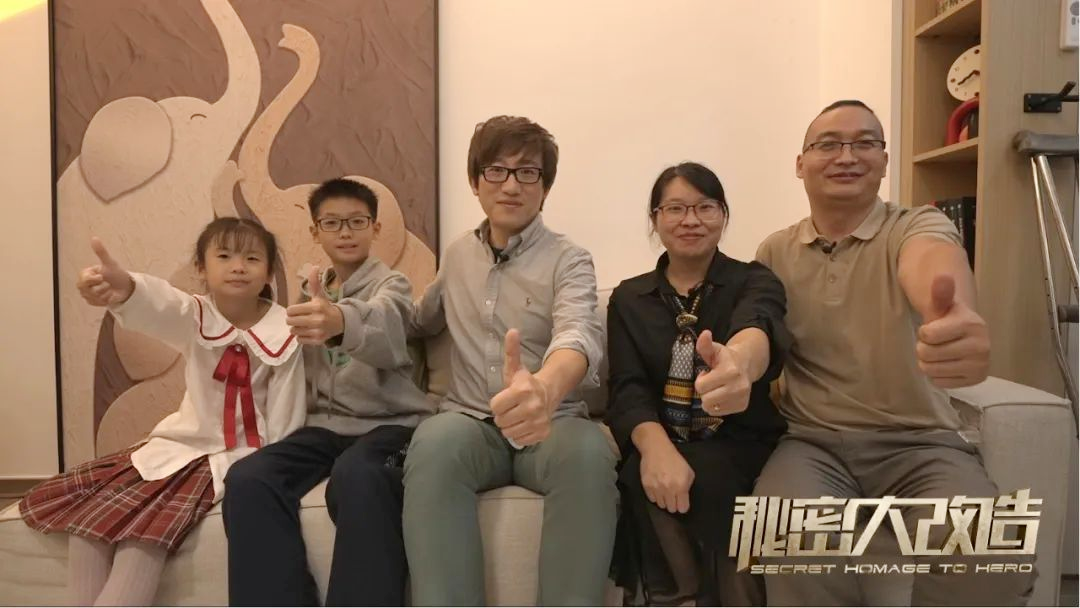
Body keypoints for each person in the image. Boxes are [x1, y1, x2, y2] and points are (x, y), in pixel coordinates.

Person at [752, 99, 1034, 606]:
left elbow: (930, 262)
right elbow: (758, 333)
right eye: (828, 144)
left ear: (884, 161)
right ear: (800, 163)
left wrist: (952, 313)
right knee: (791, 535)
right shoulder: (774, 251)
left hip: (921, 443)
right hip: (811, 444)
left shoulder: (915, 225)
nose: (846, 156)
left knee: (990, 551)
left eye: (864, 143)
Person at [20, 219, 305, 606]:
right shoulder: (196, 315)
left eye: (252, 258)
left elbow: (288, 413)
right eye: (224, 256)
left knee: (143, 539)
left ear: (269, 272)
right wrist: (126, 289)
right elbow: (161, 304)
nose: (238, 266)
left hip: (237, 457)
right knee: (88, 528)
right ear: (202, 268)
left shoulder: (286, 331)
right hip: (180, 445)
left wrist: (274, 468)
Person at [402, 115, 617, 605]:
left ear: (545, 186)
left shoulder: (570, 259)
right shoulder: (458, 255)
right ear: (475, 181)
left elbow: (579, 332)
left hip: (553, 423)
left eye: (528, 172)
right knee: (432, 444)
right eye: (497, 170)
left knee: (589, 454)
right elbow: (419, 321)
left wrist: (545, 388)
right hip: (471, 422)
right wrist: (347, 317)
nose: (511, 185)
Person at [223, 178, 433, 606]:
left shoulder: (393, 286)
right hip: (323, 429)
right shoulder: (309, 294)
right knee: (247, 478)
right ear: (315, 231)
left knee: (360, 476)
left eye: (357, 221)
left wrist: (339, 321)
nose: (345, 232)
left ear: (375, 228)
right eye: (332, 223)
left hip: (391, 428)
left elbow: (387, 326)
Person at [605, 161, 790, 606]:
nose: (691, 220)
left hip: (739, 439)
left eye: (705, 207)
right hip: (664, 437)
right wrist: (656, 450)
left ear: (723, 215)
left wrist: (738, 362)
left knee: (713, 475)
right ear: (655, 220)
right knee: (639, 472)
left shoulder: (754, 280)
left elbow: (758, 326)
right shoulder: (629, 298)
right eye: (675, 208)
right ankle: (679, 595)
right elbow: (627, 388)